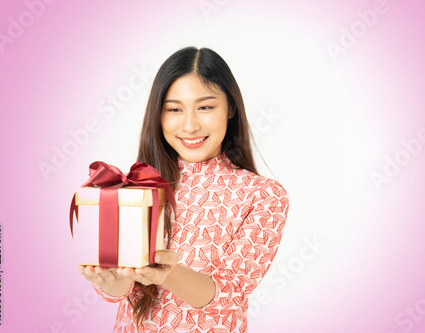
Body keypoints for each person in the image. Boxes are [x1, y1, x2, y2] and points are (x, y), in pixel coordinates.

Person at [79, 46, 289, 333]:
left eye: (205, 107)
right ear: (158, 114)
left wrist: (170, 274)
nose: (189, 125)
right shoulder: (135, 186)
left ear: (231, 109)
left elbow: (229, 298)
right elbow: (121, 293)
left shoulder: (263, 195)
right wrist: (113, 279)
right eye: (174, 109)